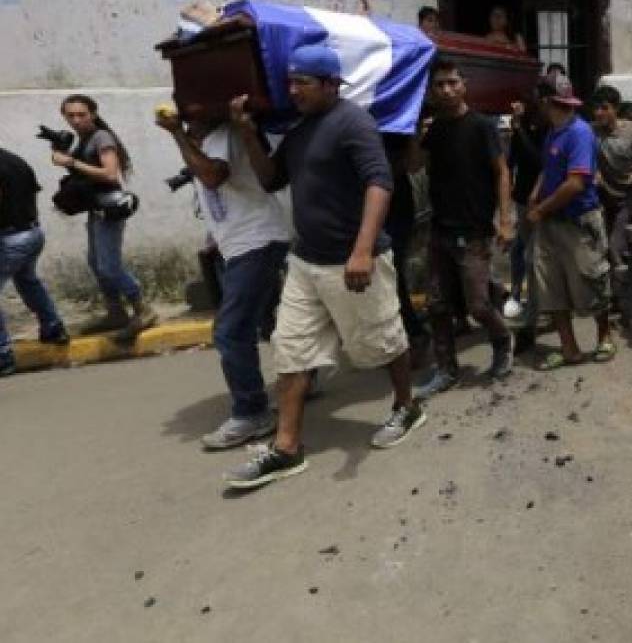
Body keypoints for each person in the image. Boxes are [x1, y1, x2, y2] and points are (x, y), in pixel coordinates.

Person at [223, 44, 424, 489]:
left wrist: (362, 250)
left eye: (303, 83)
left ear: (332, 84)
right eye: (290, 82)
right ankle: (286, 448)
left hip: (352, 261)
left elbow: (380, 183)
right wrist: (247, 133)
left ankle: (406, 406)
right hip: (306, 261)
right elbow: (272, 178)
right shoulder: (301, 129)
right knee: (291, 349)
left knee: (382, 342)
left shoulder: (354, 123)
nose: (293, 90)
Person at [155, 110, 291, 450]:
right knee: (270, 319)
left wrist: (176, 135)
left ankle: (252, 413)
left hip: (255, 241)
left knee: (230, 331)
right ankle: (303, 378)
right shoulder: (203, 138)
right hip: (239, 244)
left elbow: (214, 176)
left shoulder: (223, 134)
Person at [411, 57, 515, 398]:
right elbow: (413, 165)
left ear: (464, 84)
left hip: (473, 231)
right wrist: (414, 131)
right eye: (439, 84)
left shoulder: (482, 126)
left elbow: (501, 171)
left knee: (477, 305)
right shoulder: (434, 129)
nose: (446, 89)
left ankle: (502, 340)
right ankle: (446, 369)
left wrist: (505, 220)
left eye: (452, 82)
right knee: (437, 305)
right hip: (440, 228)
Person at [54, 94, 157, 342]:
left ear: (93, 114)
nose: (76, 120)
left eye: (82, 114)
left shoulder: (102, 137)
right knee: (95, 261)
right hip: (96, 208)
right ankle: (115, 311)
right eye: (71, 116)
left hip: (110, 207)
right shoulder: (85, 139)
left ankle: (143, 309)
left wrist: (71, 162)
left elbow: (110, 174)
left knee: (108, 266)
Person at [528, 74, 612, 369]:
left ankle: (604, 338)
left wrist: (540, 210)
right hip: (552, 221)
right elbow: (549, 169)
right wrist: (536, 194)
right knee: (551, 287)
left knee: (592, 280)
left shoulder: (579, 133)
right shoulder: (554, 131)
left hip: (578, 220)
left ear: (546, 101)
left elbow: (575, 183)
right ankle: (569, 348)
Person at [0, 146, 69, 376]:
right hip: (32, 233)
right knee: (27, 280)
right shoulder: (16, 160)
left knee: (27, 280)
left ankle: (3, 356)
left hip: (11, 238)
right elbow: (32, 193)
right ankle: (53, 328)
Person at [590, 86, 632, 271]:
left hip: (629, 199)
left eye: (604, 108)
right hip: (603, 199)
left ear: (615, 109)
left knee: (615, 249)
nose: (599, 113)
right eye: (596, 108)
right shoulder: (591, 132)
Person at [382, 134, 429, 352]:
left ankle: (414, 334)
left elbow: (414, 164)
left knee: (392, 276)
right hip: (370, 213)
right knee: (388, 278)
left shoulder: (394, 127)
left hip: (395, 213)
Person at [507, 93, 546, 352]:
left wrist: (519, 129)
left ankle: (532, 319)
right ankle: (522, 300)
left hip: (541, 203)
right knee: (520, 253)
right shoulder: (524, 127)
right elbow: (514, 159)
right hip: (522, 200)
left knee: (533, 258)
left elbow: (536, 160)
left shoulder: (546, 130)